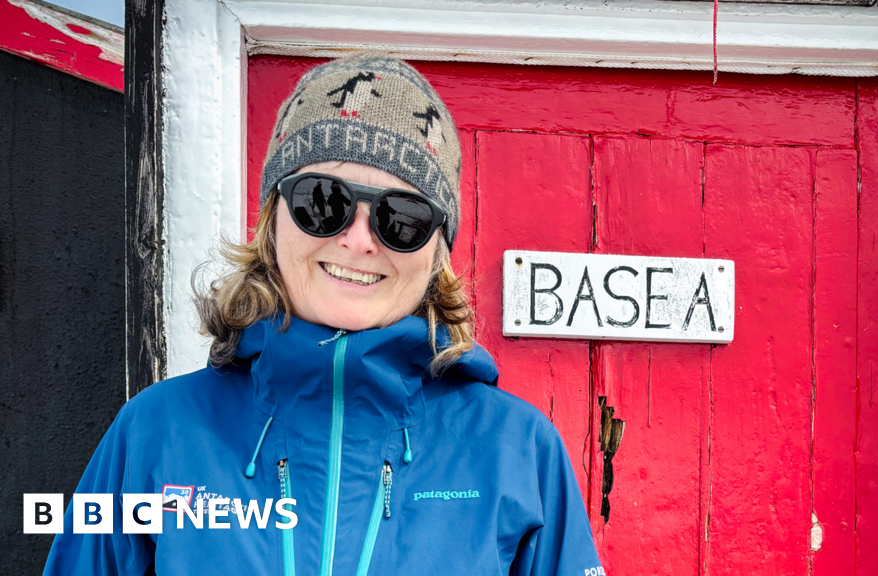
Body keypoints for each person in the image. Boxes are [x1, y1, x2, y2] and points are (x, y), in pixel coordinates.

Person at [43, 53, 603, 575]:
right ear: (273, 219)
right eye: (322, 201)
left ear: (436, 252)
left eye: (402, 217)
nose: (358, 240)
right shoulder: (155, 431)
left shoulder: (518, 450)